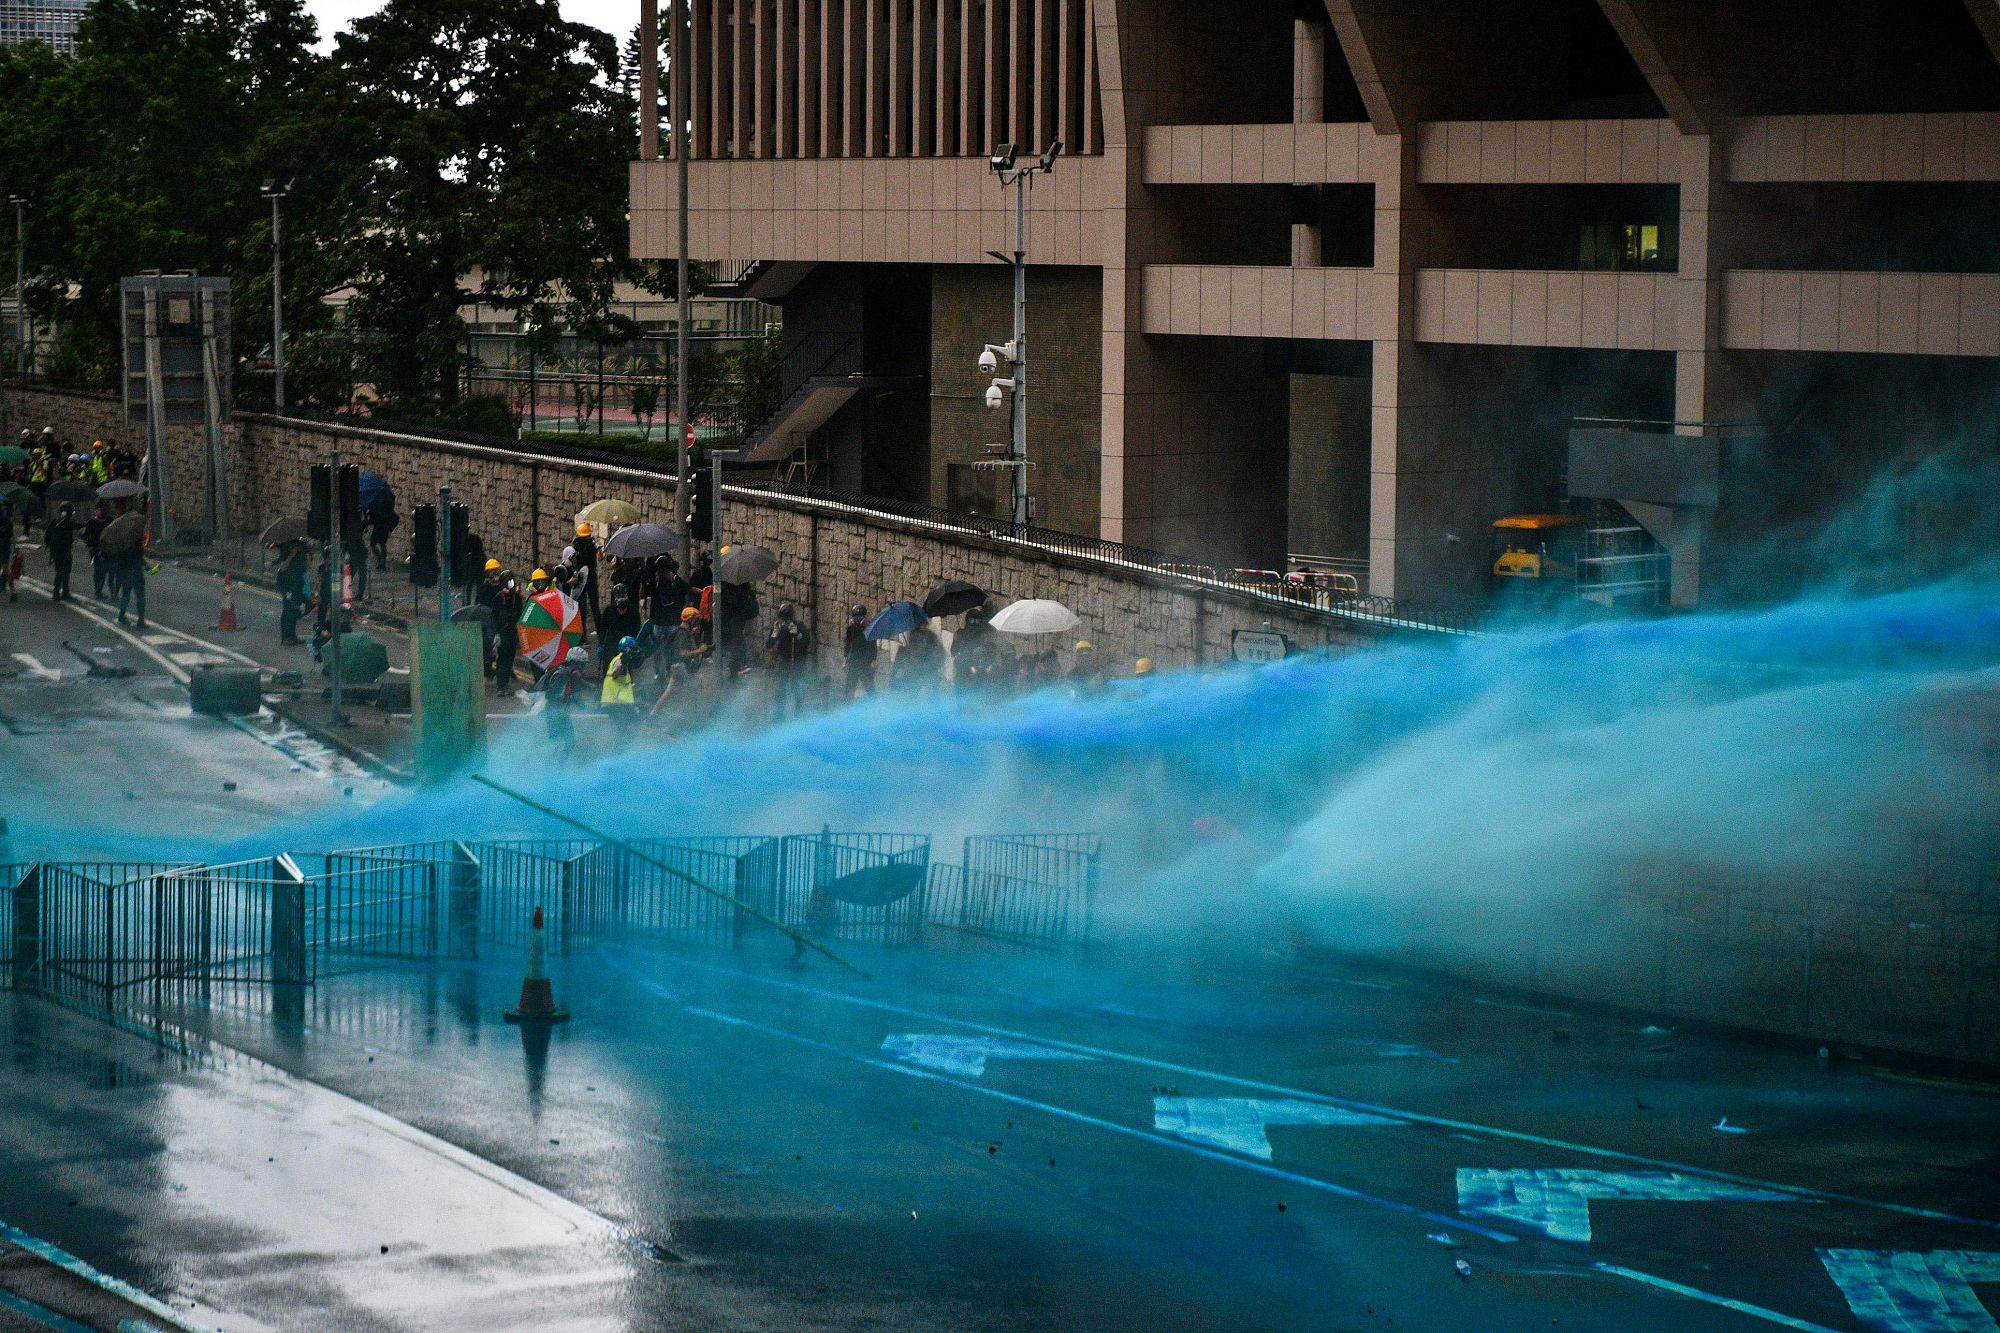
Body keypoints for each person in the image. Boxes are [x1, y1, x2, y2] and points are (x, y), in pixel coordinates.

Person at [766, 600, 812, 720]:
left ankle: (798, 713)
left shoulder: (799, 626)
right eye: (783, 619)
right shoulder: (777, 627)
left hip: (797, 661)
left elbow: (806, 643)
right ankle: (779, 714)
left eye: (787, 619)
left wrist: (797, 635)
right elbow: (769, 645)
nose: (784, 622)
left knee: (797, 687)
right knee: (781, 688)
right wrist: (774, 635)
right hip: (783, 660)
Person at [491, 574, 525, 691]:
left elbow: (520, 613)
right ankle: (501, 686)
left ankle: (505, 684)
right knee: (502, 660)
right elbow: (494, 617)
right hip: (502, 633)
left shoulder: (516, 598)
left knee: (510, 659)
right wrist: (496, 634)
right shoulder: (498, 598)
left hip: (512, 633)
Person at [598, 581, 640, 669]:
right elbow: (602, 628)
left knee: (625, 669)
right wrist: (601, 643)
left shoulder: (633, 611)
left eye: (623, 595)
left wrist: (634, 643)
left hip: (626, 645)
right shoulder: (608, 611)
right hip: (611, 645)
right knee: (608, 668)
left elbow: (637, 628)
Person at [275, 540, 309, 644]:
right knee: (288, 609)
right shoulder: (285, 547)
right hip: (287, 583)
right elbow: (283, 566)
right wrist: (292, 554)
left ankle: (292, 635)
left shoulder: (301, 547)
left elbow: (307, 567)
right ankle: (285, 637)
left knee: (295, 609)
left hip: (297, 583)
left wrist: (307, 554)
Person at [570, 523, 601, 635]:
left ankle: (599, 630)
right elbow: (572, 561)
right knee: (582, 606)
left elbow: (600, 558)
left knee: (593, 605)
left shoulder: (592, 544)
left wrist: (598, 548)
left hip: (590, 576)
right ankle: (582, 634)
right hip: (581, 577)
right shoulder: (576, 545)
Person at [43, 503, 76, 601]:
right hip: (63, 550)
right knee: (63, 571)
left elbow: (47, 537)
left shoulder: (55, 522)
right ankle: (58, 592)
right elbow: (70, 538)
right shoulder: (68, 524)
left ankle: (64, 592)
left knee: (62, 571)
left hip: (56, 551)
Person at [842, 604, 874, 699]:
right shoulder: (851, 628)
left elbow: (872, 646)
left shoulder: (868, 628)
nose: (857, 619)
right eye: (855, 617)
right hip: (853, 661)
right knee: (849, 688)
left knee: (870, 688)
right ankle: (847, 706)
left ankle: (875, 706)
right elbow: (848, 644)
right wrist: (845, 659)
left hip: (865, 662)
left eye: (860, 617)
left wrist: (873, 661)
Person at [601, 635, 639, 714]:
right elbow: (615, 675)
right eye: (633, 649)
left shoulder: (616, 659)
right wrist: (623, 663)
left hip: (613, 701)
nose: (635, 651)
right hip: (618, 703)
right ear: (628, 650)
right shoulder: (620, 661)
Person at [114, 540, 146, 628]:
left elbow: (119, 560)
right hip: (137, 574)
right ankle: (141, 620)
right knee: (140, 598)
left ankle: (121, 616)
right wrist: (151, 568)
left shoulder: (122, 542)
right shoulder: (137, 542)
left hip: (126, 574)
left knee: (126, 596)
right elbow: (140, 559)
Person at [83, 505, 109, 599]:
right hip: (95, 550)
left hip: (105, 549)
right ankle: (98, 591)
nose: (100, 512)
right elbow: (86, 536)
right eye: (99, 510)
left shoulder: (108, 521)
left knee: (104, 571)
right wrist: (90, 546)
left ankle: (100, 590)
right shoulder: (91, 522)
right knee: (98, 570)